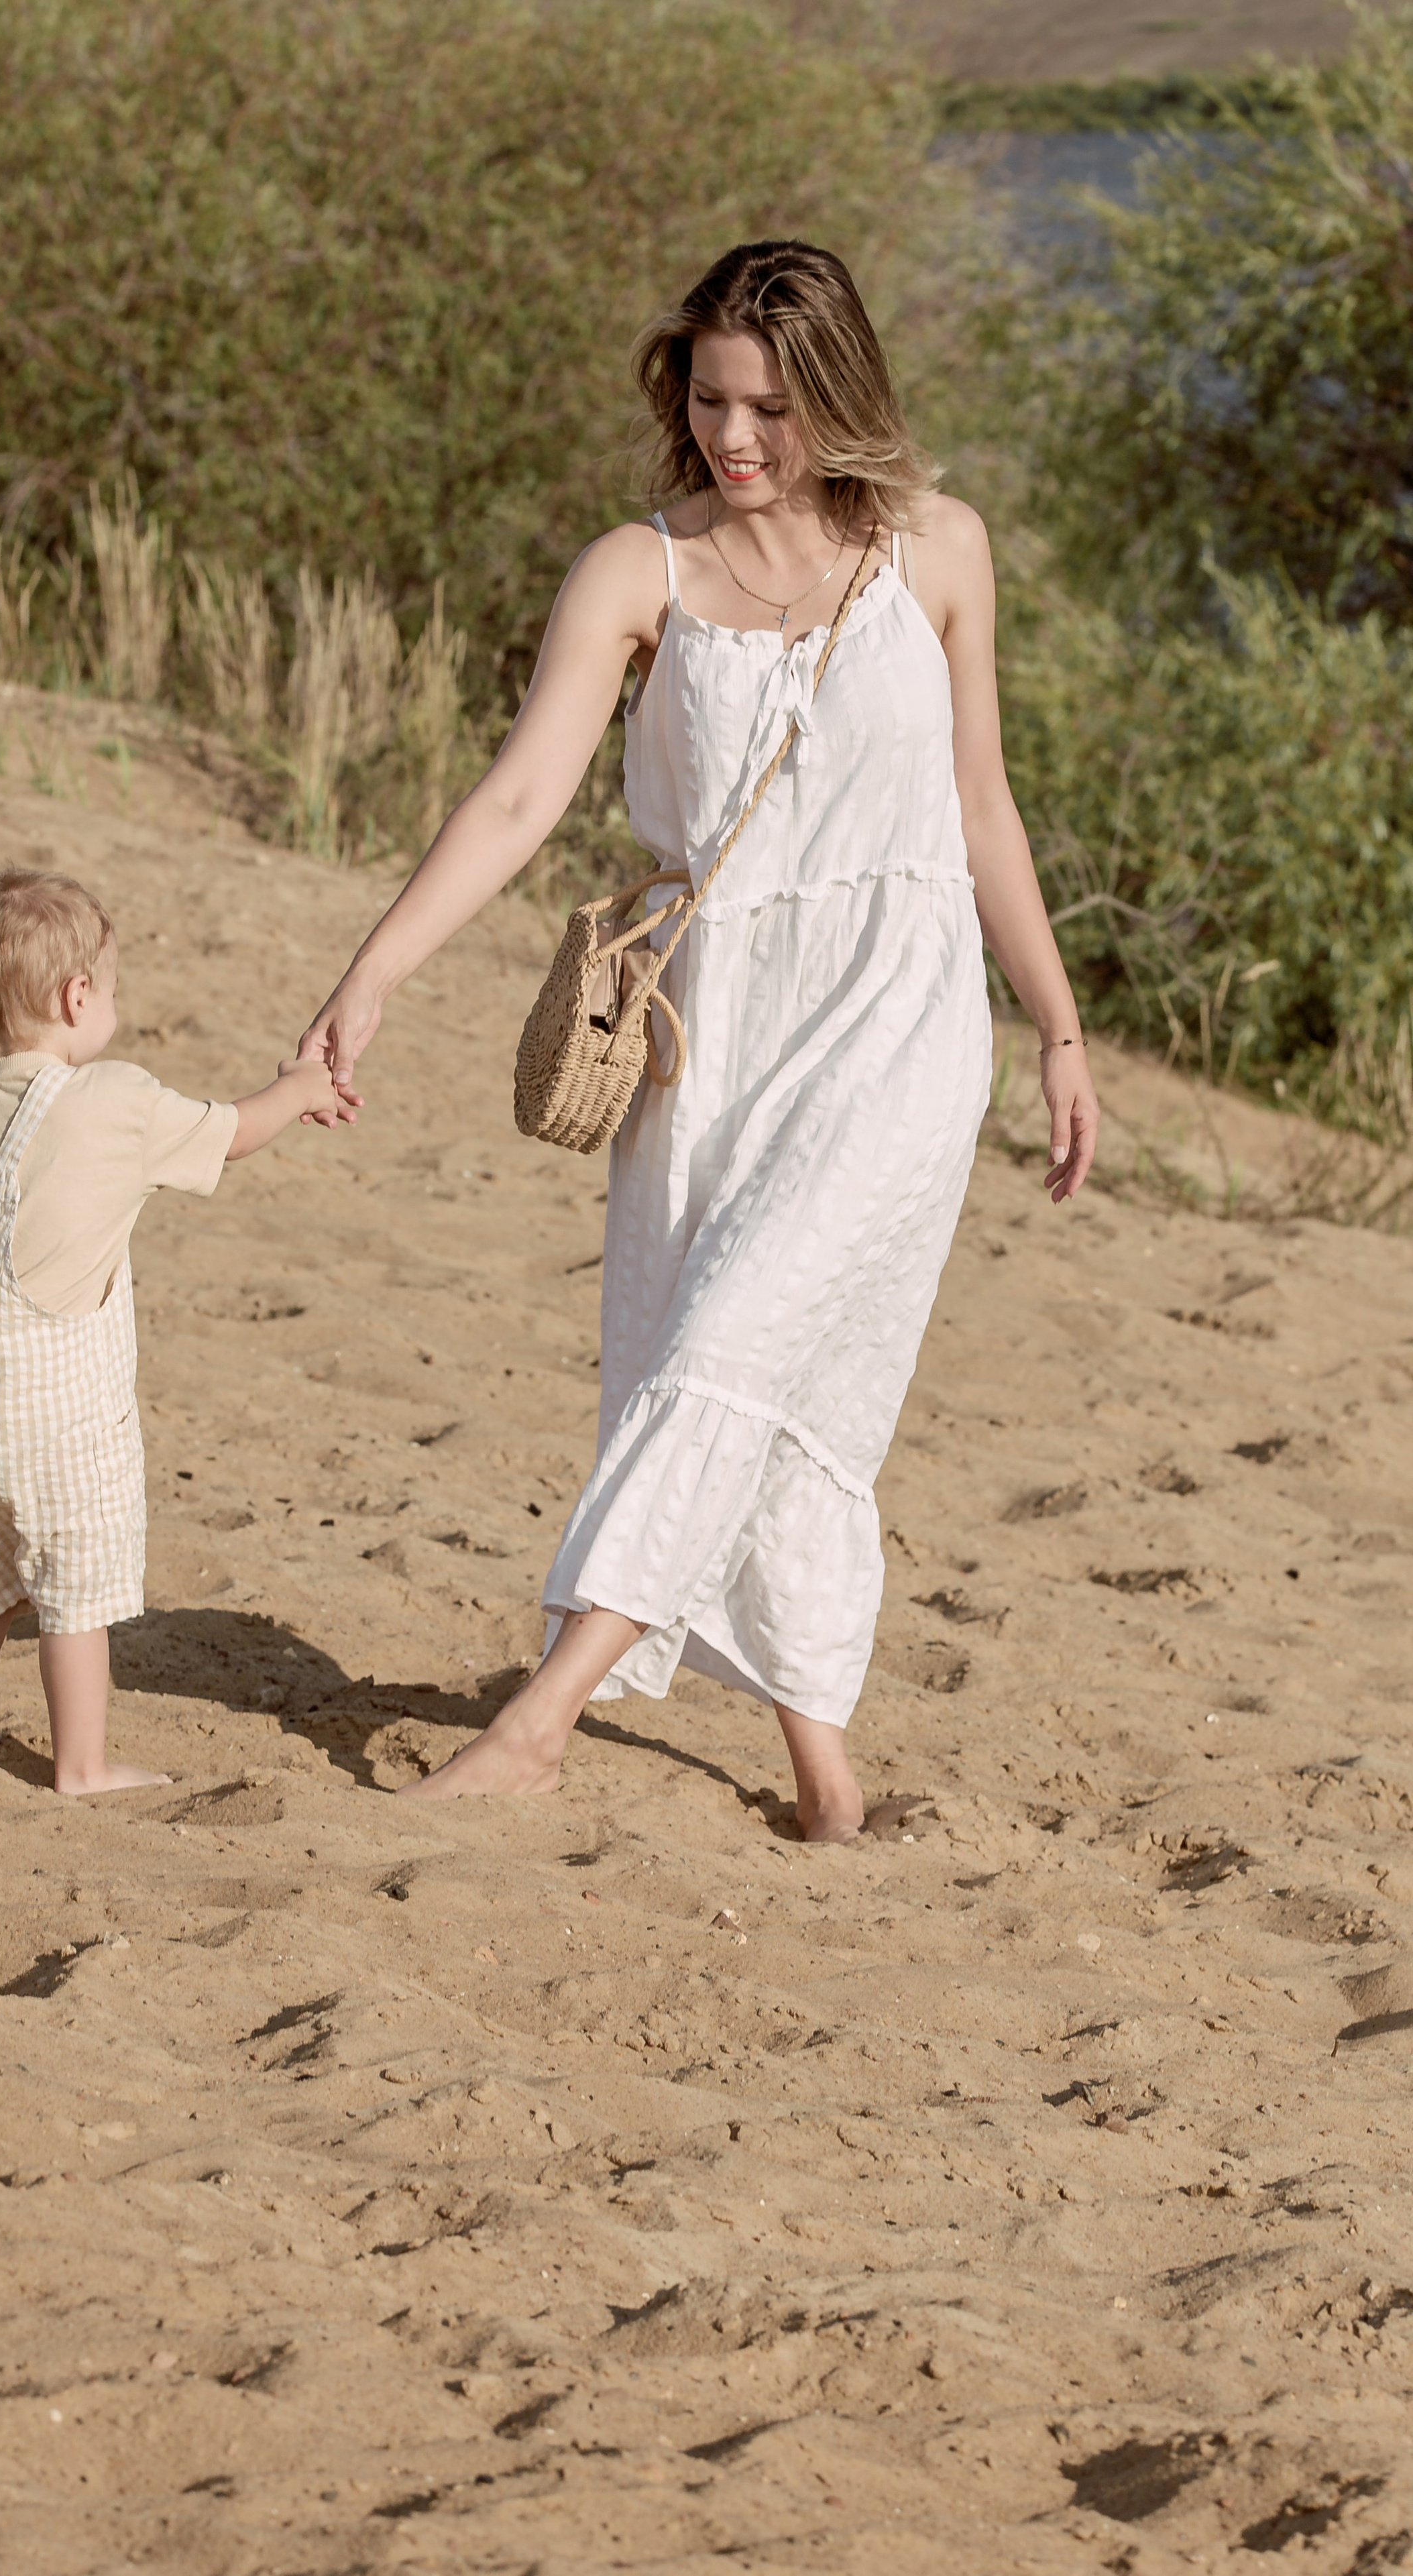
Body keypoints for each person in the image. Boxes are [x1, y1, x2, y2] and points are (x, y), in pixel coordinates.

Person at [299, 238, 1098, 1842]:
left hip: (898, 1012)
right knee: (747, 1367)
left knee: (749, 1333)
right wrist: (375, 965)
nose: (734, 439)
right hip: (715, 1023)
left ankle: (544, 1714)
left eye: (770, 411)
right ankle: (824, 1776)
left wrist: (1058, 1028)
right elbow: (523, 793)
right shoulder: (635, 570)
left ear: (843, 400)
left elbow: (979, 804)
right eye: (710, 399)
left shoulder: (940, 549)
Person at [0, 869, 338, 1793]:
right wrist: (300, 1087)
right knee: (72, 1580)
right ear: (78, 997)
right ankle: (80, 1763)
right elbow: (233, 1131)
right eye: (111, 987)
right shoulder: (115, 1099)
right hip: (58, 1411)